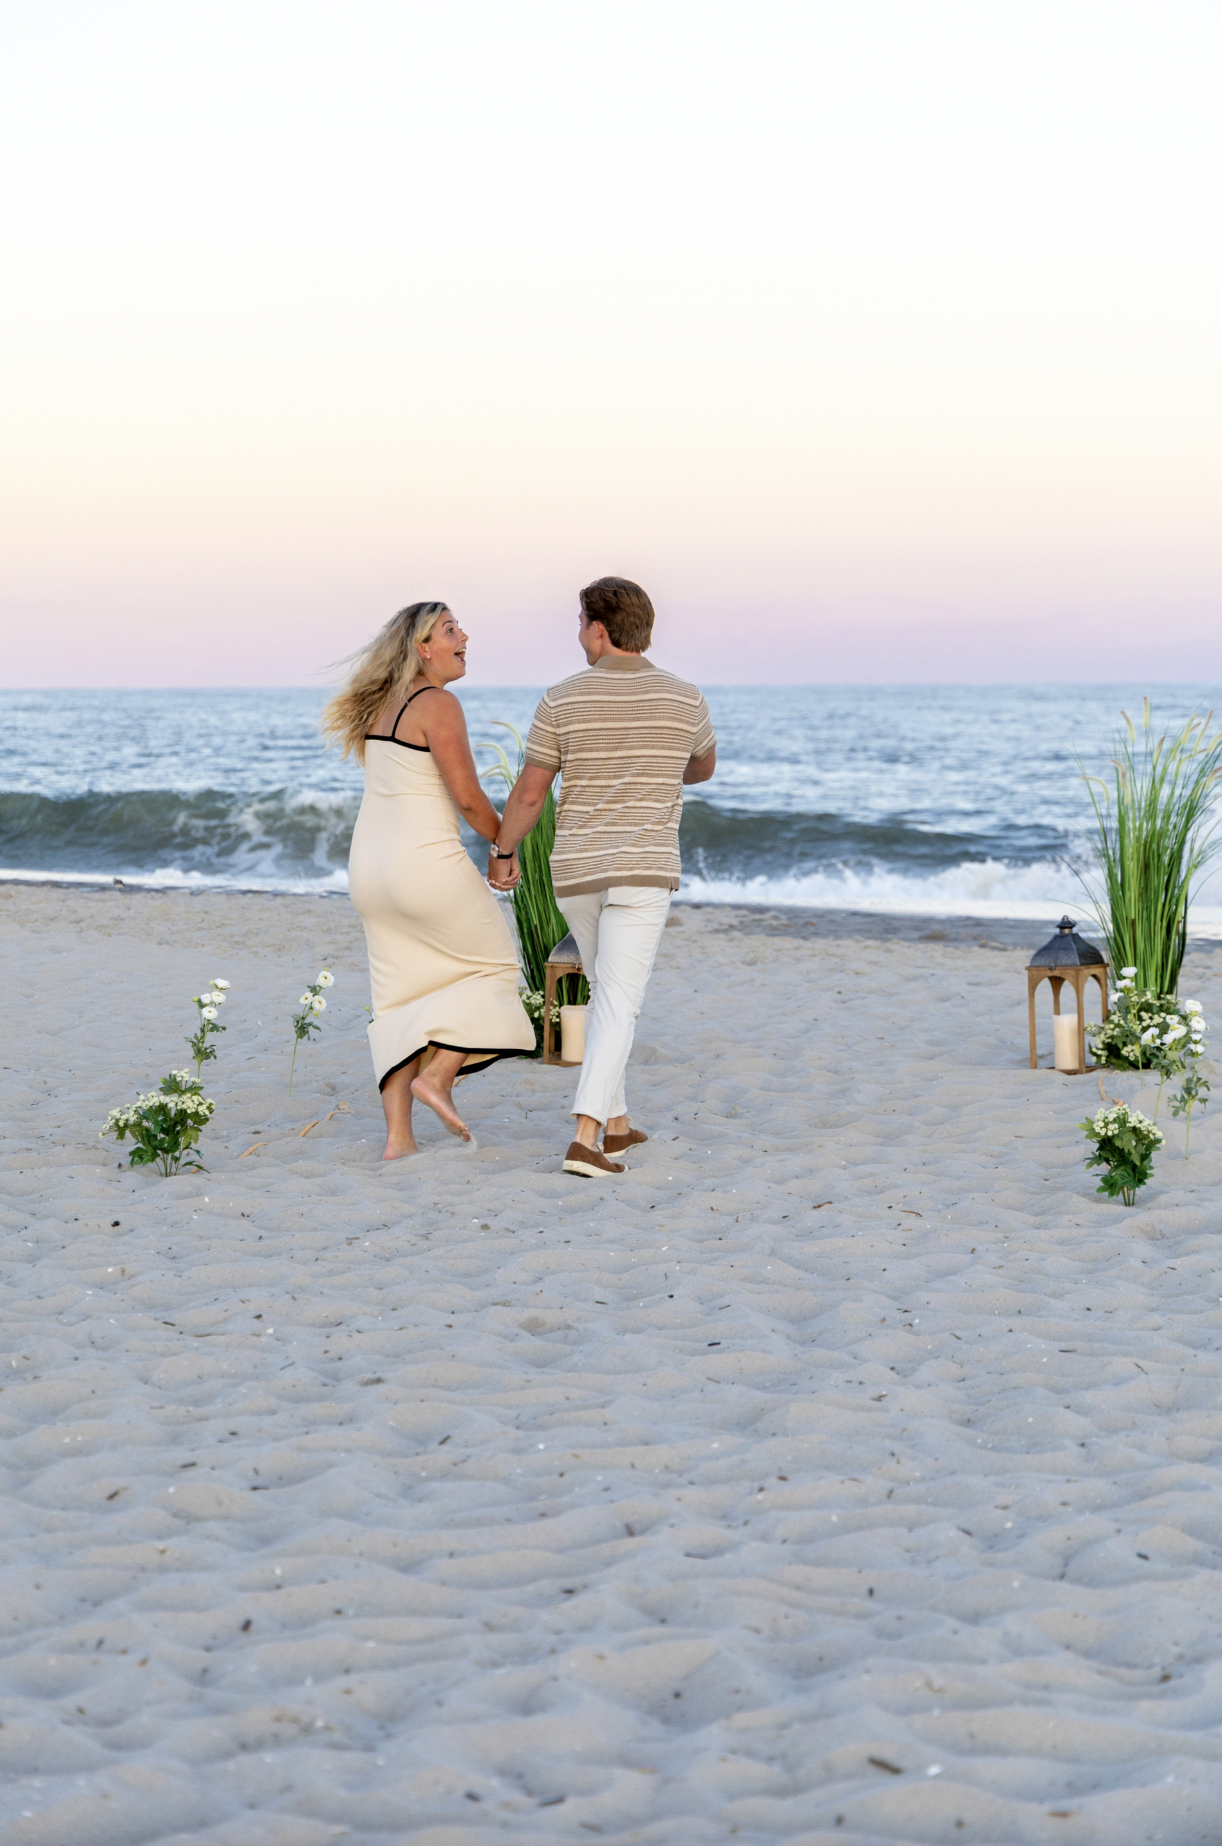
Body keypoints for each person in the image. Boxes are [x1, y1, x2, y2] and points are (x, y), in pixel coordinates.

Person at [490, 577, 716, 1176]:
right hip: (643, 870)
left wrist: (503, 852)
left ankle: (615, 1126)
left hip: (579, 871)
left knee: (607, 994)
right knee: (619, 1002)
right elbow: (703, 767)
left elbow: (532, 792)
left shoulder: (561, 698)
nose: (578, 634)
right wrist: (657, 773)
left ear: (598, 626)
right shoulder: (684, 697)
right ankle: (586, 1135)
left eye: (580, 622)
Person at [322, 601, 535, 1159]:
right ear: (422, 648)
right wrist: (504, 846)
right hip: (424, 868)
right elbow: (467, 797)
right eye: (450, 629)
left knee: (397, 1001)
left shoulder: (377, 705)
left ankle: (398, 1141)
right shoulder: (437, 704)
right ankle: (438, 1075)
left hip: (369, 871)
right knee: (495, 968)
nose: (464, 635)